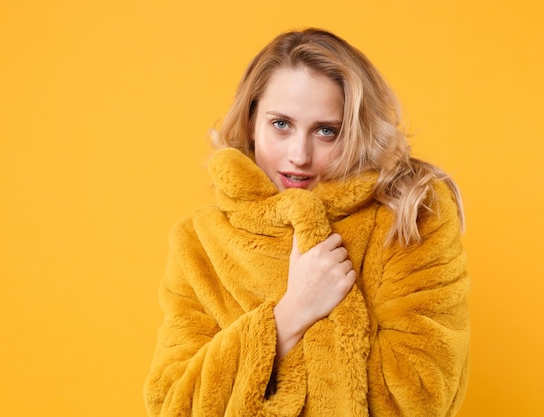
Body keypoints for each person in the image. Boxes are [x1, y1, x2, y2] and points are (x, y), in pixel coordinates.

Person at [143, 28, 470, 417]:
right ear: (251, 121)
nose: (299, 155)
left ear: (354, 131)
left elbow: (418, 400)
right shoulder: (197, 242)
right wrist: (290, 315)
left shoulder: (411, 215)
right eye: (281, 124)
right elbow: (173, 405)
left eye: (326, 131)